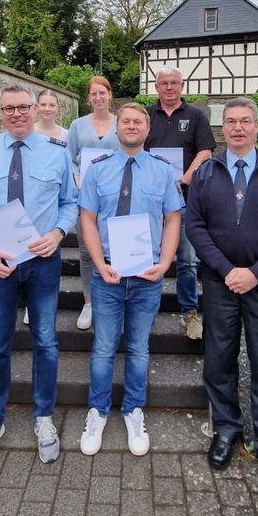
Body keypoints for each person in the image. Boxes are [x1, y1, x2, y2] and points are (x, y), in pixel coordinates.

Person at [0, 85, 78, 467]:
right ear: (0, 112)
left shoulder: (57, 154)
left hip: (41, 263)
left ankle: (43, 417)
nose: (17, 113)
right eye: (9, 108)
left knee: (45, 341)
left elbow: (69, 203)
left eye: (24, 107)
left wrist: (58, 234)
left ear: (35, 110)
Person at [186, 97, 258, 505]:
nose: (237, 128)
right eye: (230, 122)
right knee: (219, 357)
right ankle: (227, 429)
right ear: (222, 129)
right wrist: (224, 269)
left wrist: (256, 271)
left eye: (245, 121)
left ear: (257, 126)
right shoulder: (205, 174)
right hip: (219, 283)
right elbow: (194, 226)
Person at [77, 103, 182, 457]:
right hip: (107, 272)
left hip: (146, 274)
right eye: (126, 121)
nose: (132, 126)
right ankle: (98, 412)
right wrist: (96, 263)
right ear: (117, 128)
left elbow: (172, 219)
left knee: (138, 348)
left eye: (138, 121)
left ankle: (134, 411)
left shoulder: (163, 172)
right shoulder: (97, 170)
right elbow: (87, 219)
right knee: (103, 348)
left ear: (147, 129)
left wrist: (166, 262)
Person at [144, 65, 216, 340]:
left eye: (175, 82)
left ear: (182, 85)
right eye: (164, 83)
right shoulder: (147, 114)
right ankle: (147, 311)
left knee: (186, 260)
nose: (170, 87)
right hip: (150, 201)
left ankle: (189, 313)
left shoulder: (195, 115)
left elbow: (205, 152)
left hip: (184, 198)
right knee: (148, 256)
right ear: (157, 87)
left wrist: (184, 179)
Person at [66, 76, 120, 331]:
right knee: (87, 252)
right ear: (89, 98)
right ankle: (88, 302)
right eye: (93, 94)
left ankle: (114, 302)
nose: (98, 98)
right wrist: (76, 173)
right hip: (85, 198)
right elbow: (69, 158)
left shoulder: (122, 123)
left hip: (116, 197)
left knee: (115, 249)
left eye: (102, 93)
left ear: (110, 95)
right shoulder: (77, 125)